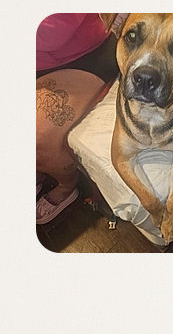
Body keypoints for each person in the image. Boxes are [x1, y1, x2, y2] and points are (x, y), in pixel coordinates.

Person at [36, 14, 119, 224]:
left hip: (84, 53)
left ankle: (66, 186)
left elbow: (53, 31)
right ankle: (40, 169)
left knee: (36, 139)